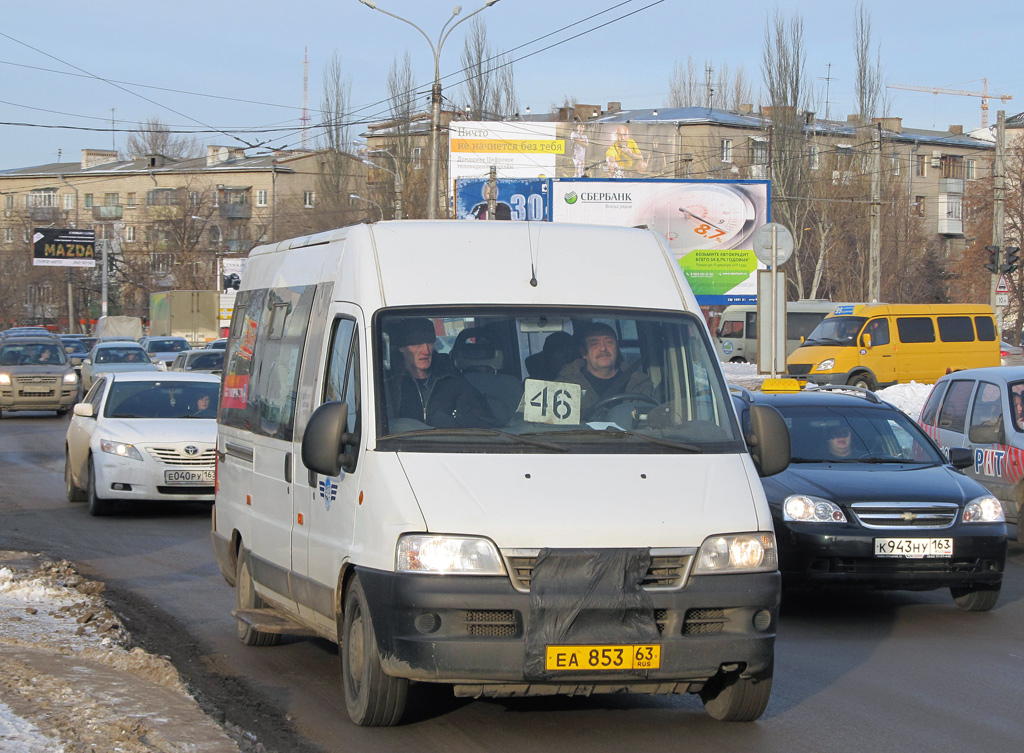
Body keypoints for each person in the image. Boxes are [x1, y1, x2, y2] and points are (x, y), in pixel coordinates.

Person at [386, 318, 496, 428]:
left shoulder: (452, 379)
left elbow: (486, 424)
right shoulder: (388, 383)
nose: (426, 351)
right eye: (417, 344)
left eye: (430, 343)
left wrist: (451, 422)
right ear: (401, 348)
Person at [555, 322, 654, 420]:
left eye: (609, 342)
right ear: (584, 352)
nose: (603, 348)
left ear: (616, 348)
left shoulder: (639, 384)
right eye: (594, 344)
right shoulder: (564, 386)